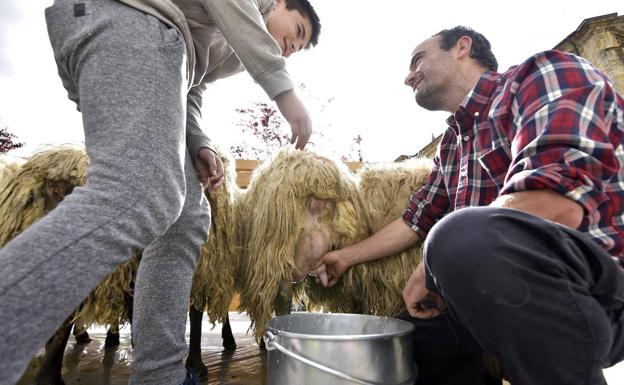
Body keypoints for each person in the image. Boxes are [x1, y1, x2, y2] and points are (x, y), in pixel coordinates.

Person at [0, 0, 320, 384]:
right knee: (136, 195)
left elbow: (191, 85)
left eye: (297, 50)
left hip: (154, 49)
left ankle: (160, 375)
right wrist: (284, 90)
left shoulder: (230, 49)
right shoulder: (247, 13)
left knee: (187, 214)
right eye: (296, 32)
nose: (290, 48)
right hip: (130, 21)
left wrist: (198, 141)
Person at [314, 26, 624, 385]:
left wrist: (437, 263)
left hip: (597, 290)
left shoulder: (540, 77)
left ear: (462, 47)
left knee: (456, 237)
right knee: (412, 341)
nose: (407, 76)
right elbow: (414, 222)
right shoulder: (451, 146)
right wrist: (345, 257)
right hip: (497, 290)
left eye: (418, 59)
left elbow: (557, 207)